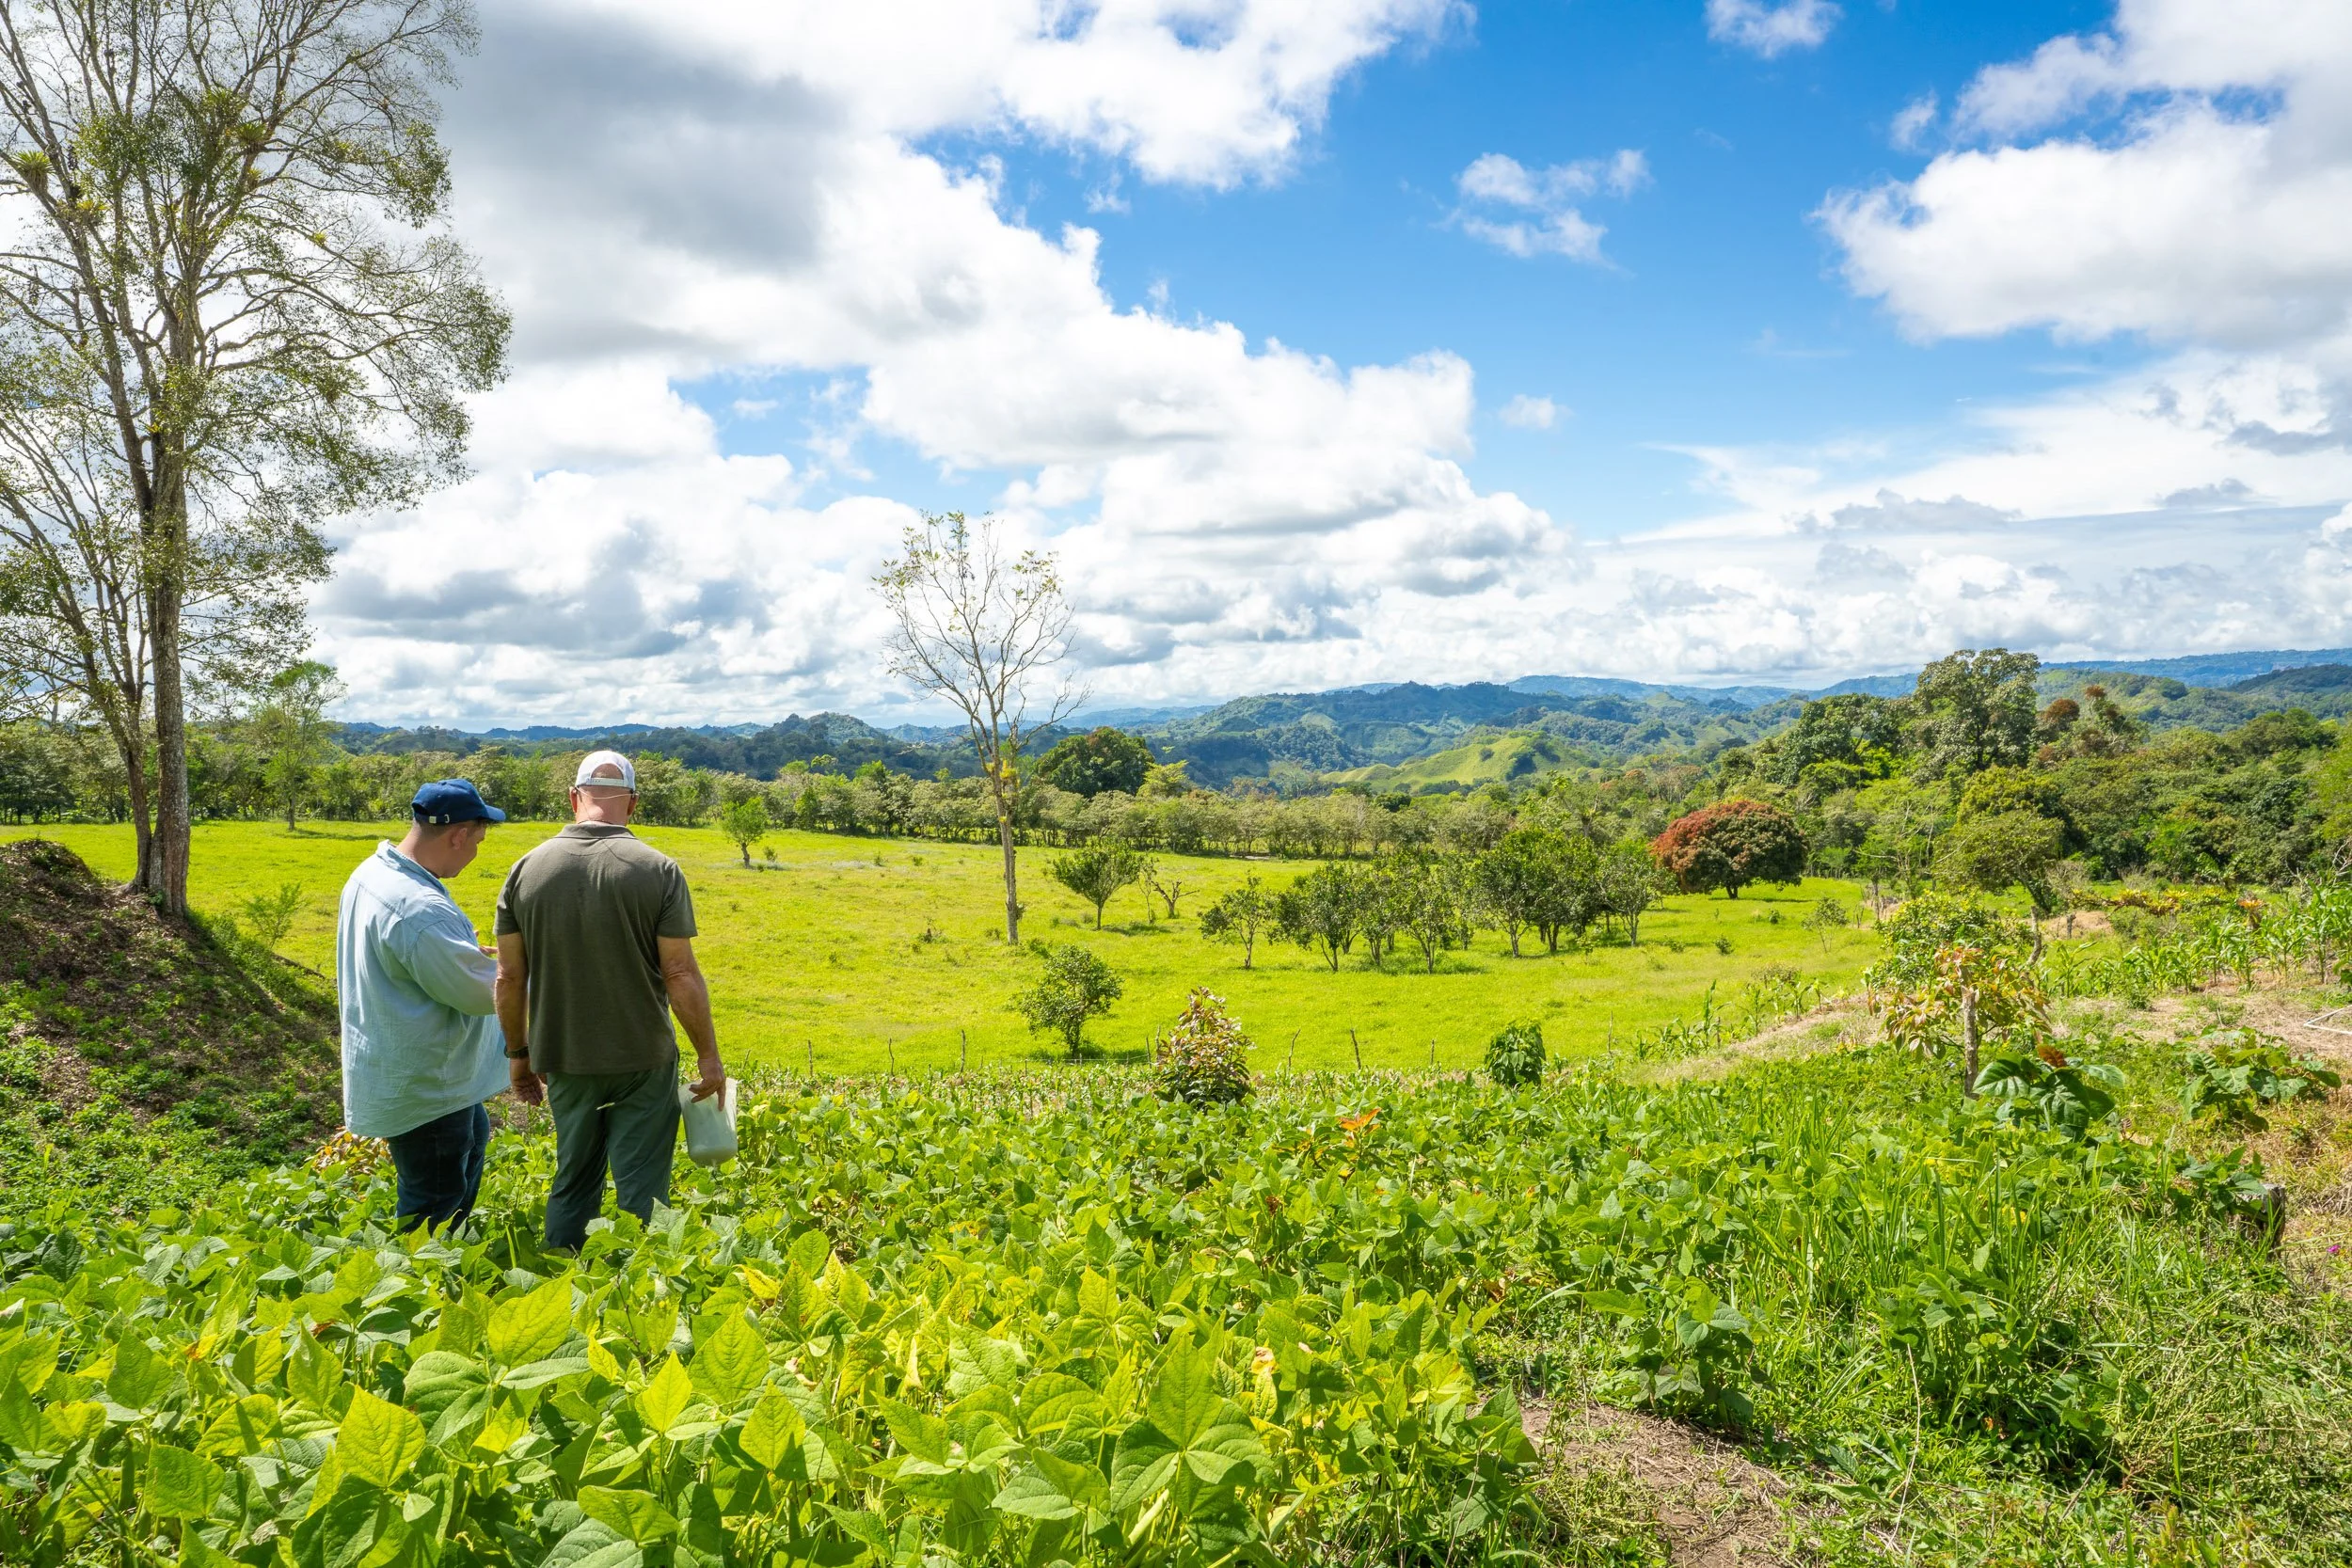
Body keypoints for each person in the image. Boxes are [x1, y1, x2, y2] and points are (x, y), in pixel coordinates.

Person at [495, 750, 725, 1249]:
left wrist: (518, 1056)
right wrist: (708, 1056)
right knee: (643, 1191)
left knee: (574, 1178)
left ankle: (564, 1286)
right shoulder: (659, 870)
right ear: (633, 804)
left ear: (574, 798)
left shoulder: (525, 870)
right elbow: (680, 972)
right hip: (643, 1056)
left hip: (565, 1056)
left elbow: (509, 978)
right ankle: (641, 1297)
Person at [335, 779, 510, 1231]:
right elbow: (478, 993)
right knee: (435, 1197)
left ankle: (446, 1264)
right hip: (428, 1080)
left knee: (469, 1145)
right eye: (478, 841)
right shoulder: (418, 907)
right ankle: (422, 1281)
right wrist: (527, 969)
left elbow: (418, 958)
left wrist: (459, 954)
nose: (475, 853)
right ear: (458, 835)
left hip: (418, 1067)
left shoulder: (374, 874)